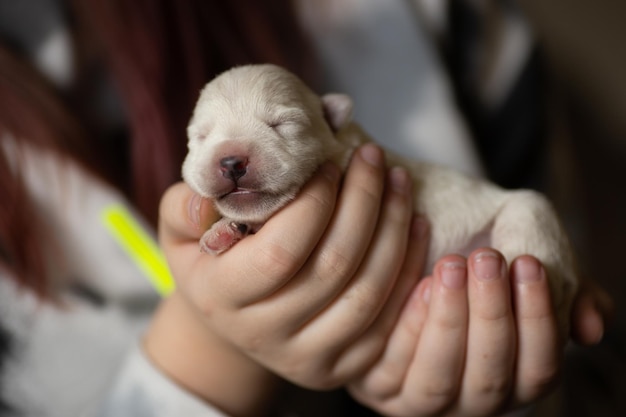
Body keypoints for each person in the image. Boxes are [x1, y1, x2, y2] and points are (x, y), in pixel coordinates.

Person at [0, 1, 612, 416]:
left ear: (335, 123)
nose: (232, 158)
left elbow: (599, 365)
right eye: (203, 139)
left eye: (281, 124)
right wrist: (207, 349)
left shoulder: (428, 19)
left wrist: (540, 371)